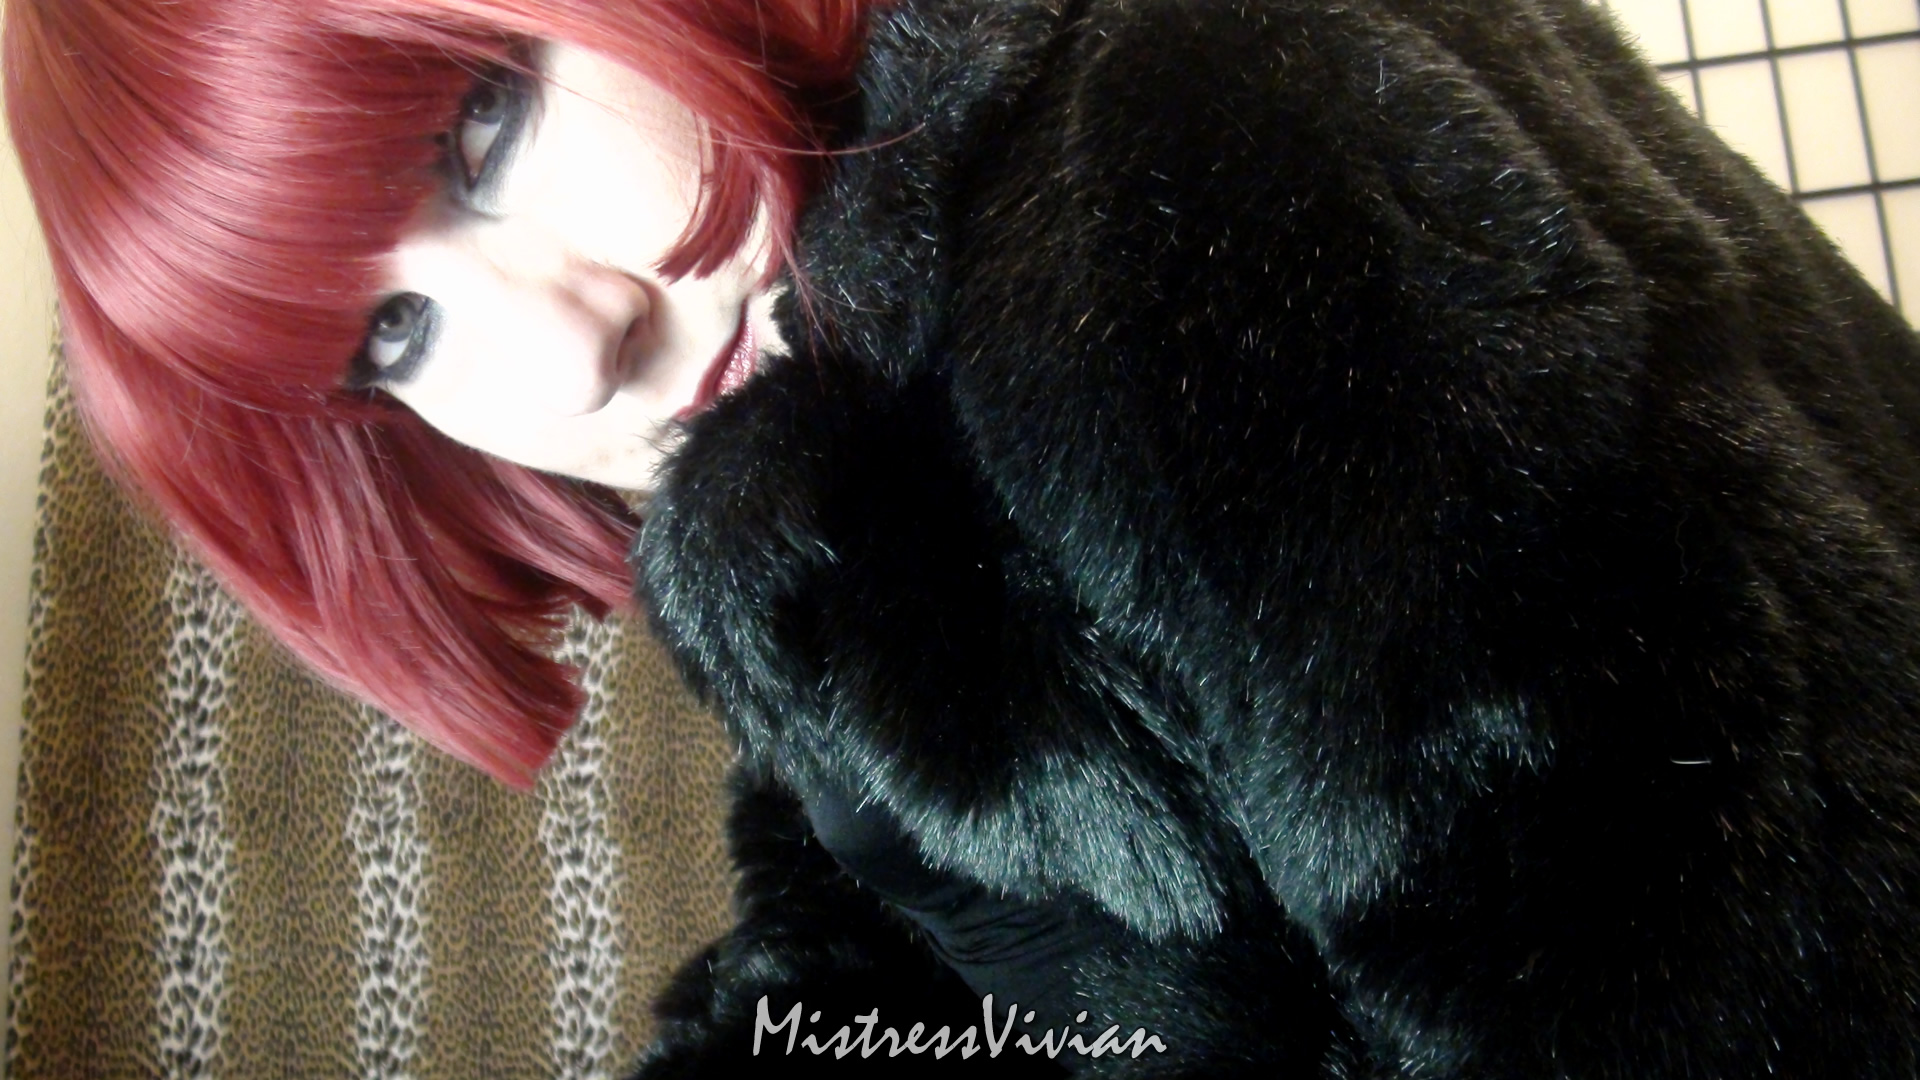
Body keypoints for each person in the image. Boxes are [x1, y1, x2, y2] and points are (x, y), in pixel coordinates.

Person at [9, 0, 1920, 1075]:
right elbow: (952, 938)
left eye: (486, 128)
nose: (563, 343)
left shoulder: (1180, 174)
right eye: (396, 336)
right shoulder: (847, 407)